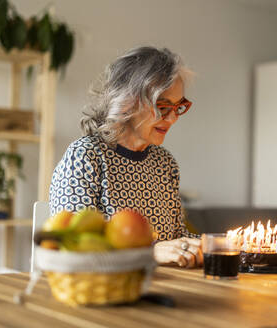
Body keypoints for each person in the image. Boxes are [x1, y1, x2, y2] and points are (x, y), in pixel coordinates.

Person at [49, 46, 202, 268]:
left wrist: (212, 245)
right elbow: (74, 247)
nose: (172, 119)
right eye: (162, 106)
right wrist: (150, 252)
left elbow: (176, 237)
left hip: (163, 287)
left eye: (178, 107)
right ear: (128, 101)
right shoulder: (85, 157)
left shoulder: (164, 163)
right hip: (106, 290)